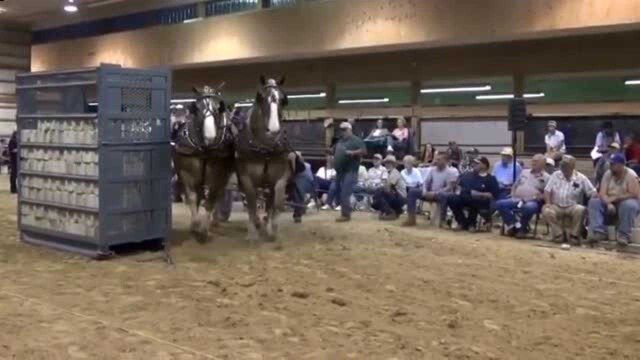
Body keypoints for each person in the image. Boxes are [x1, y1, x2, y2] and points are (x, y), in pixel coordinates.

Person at [587, 154, 640, 246]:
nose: (611, 166)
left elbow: (634, 194)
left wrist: (616, 198)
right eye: (611, 164)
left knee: (628, 205)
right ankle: (599, 232)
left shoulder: (631, 174)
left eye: (613, 164)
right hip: (610, 201)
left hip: (628, 201)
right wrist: (608, 204)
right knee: (594, 202)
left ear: (621, 165)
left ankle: (624, 235)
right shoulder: (608, 173)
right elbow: (602, 193)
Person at [542, 155, 596, 244]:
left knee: (581, 209)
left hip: (572, 206)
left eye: (566, 166)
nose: (563, 168)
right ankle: (558, 234)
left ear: (572, 166)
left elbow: (592, 192)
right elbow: (547, 190)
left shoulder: (581, 178)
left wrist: (595, 195)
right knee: (547, 210)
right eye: (562, 166)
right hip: (556, 205)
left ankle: (574, 236)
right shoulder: (555, 175)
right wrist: (548, 203)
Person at [496, 154, 550, 238]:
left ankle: (521, 228)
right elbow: (515, 185)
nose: (533, 163)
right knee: (500, 203)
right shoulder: (524, 172)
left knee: (529, 207)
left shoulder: (547, 177)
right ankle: (516, 226)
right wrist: (512, 194)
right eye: (533, 161)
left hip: (532, 201)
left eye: (536, 161)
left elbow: (547, 193)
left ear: (543, 164)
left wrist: (539, 197)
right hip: (517, 199)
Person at [403, 152, 459, 227]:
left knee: (444, 196)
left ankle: (442, 221)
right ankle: (411, 218)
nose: (436, 161)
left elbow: (449, 188)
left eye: (439, 159)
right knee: (412, 192)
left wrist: (435, 193)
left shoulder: (451, 172)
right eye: (436, 159)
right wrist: (425, 191)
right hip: (429, 193)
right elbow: (426, 182)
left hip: (441, 194)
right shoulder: (432, 170)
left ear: (445, 161)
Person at [447, 156, 499, 232]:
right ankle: (462, 222)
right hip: (465, 197)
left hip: (481, 201)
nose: (474, 165)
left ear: (484, 165)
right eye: (474, 163)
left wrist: (479, 194)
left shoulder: (491, 179)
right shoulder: (467, 175)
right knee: (452, 198)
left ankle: (472, 223)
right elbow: (458, 186)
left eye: (477, 163)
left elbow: (492, 195)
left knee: (473, 198)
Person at [333, 121, 366, 222]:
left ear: (350, 130)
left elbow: (364, 151)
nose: (343, 132)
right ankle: (344, 211)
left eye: (345, 130)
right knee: (338, 191)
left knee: (345, 193)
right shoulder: (340, 141)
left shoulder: (356, 140)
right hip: (341, 171)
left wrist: (353, 152)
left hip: (351, 171)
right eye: (341, 130)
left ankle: (346, 215)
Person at [372, 155, 406, 220]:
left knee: (380, 193)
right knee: (380, 193)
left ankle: (390, 212)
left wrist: (381, 186)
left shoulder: (394, 172)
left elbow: (387, 188)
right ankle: (395, 211)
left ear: (393, 164)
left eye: (389, 162)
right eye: (386, 162)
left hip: (400, 197)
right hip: (396, 195)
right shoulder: (389, 172)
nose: (387, 164)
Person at [289, 152, 314, 223]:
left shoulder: (307, 166)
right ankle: (298, 211)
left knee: (298, 192)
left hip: (304, 181)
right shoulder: (289, 166)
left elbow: (310, 178)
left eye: (299, 157)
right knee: (296, 191)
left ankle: (298, 214)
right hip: (294, 181)